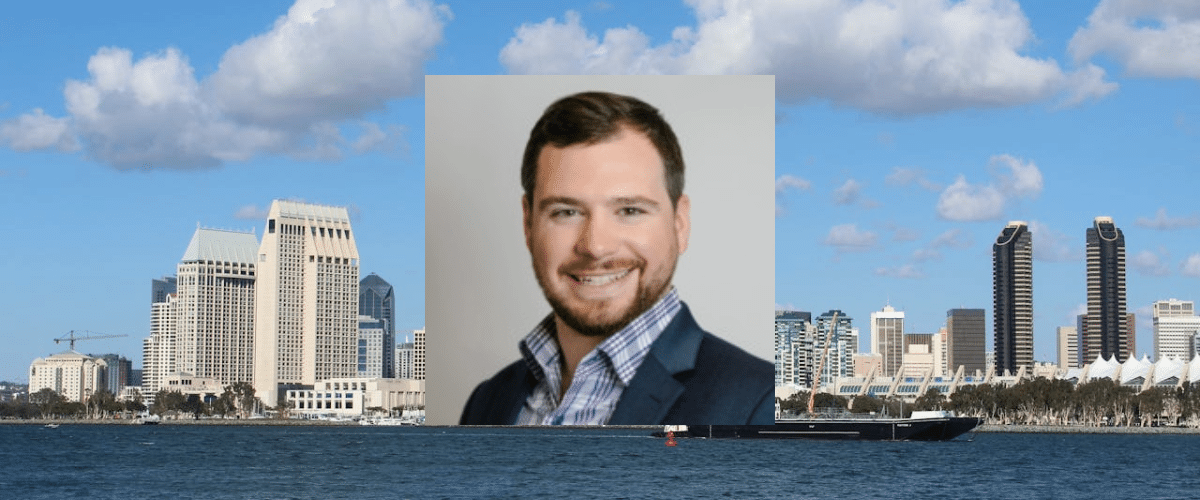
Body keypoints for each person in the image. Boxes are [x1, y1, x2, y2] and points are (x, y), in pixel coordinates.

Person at [459, 91, 773, 425]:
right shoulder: (488, 401)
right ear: (527, 224)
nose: (595, 246)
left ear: (680, 224)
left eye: (629, 210)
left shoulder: (762, 405)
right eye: (566, 212)